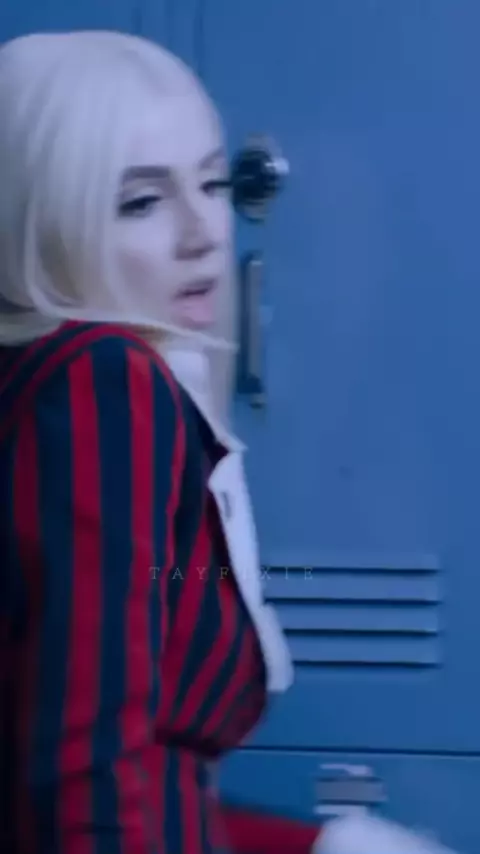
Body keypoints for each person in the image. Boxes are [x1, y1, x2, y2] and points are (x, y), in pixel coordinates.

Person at [0, 30, 457, 854]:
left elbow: (148, 787)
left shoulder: (53, 384)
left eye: (212, 183)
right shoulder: (104, 383)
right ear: (40, 223)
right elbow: (84, 779)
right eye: (141, 202)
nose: (204, 232)